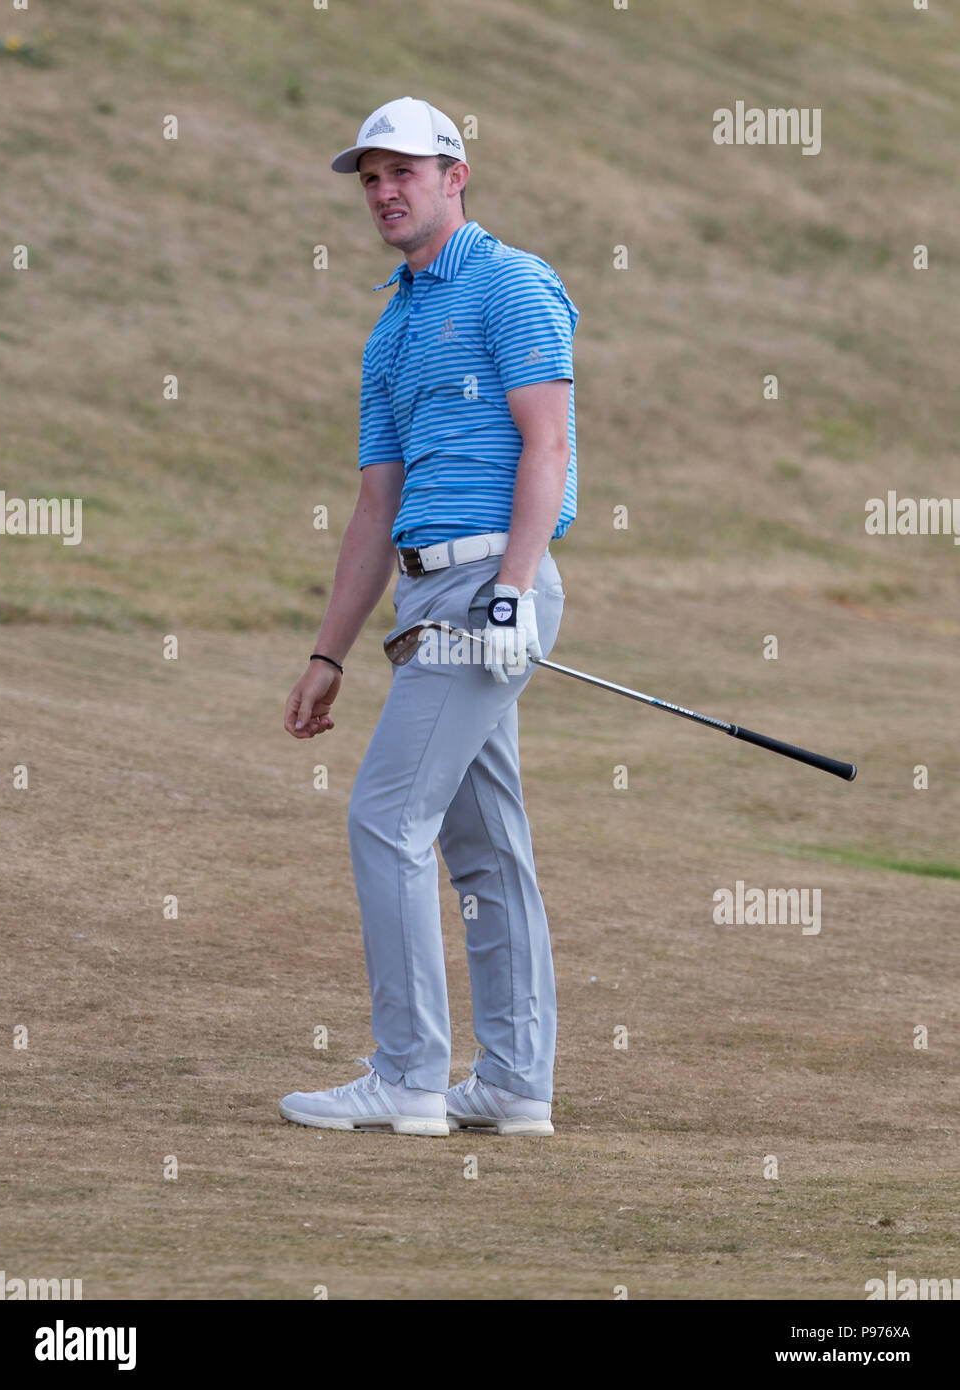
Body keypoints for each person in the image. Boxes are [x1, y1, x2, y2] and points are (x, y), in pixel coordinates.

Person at [280, 97, 580, 1137]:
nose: (384, 192)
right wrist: (330, 651)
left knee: (384, 817)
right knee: (483, 841)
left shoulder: (513, 283)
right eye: (369, 177)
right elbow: (376, 503)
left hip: (491, 586)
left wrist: (511, 590)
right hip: (423, 593)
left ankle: (409, 1075)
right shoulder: (391, 328)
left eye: (403, 171)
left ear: (457, 176)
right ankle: (513, 1080)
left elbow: (547, 448)